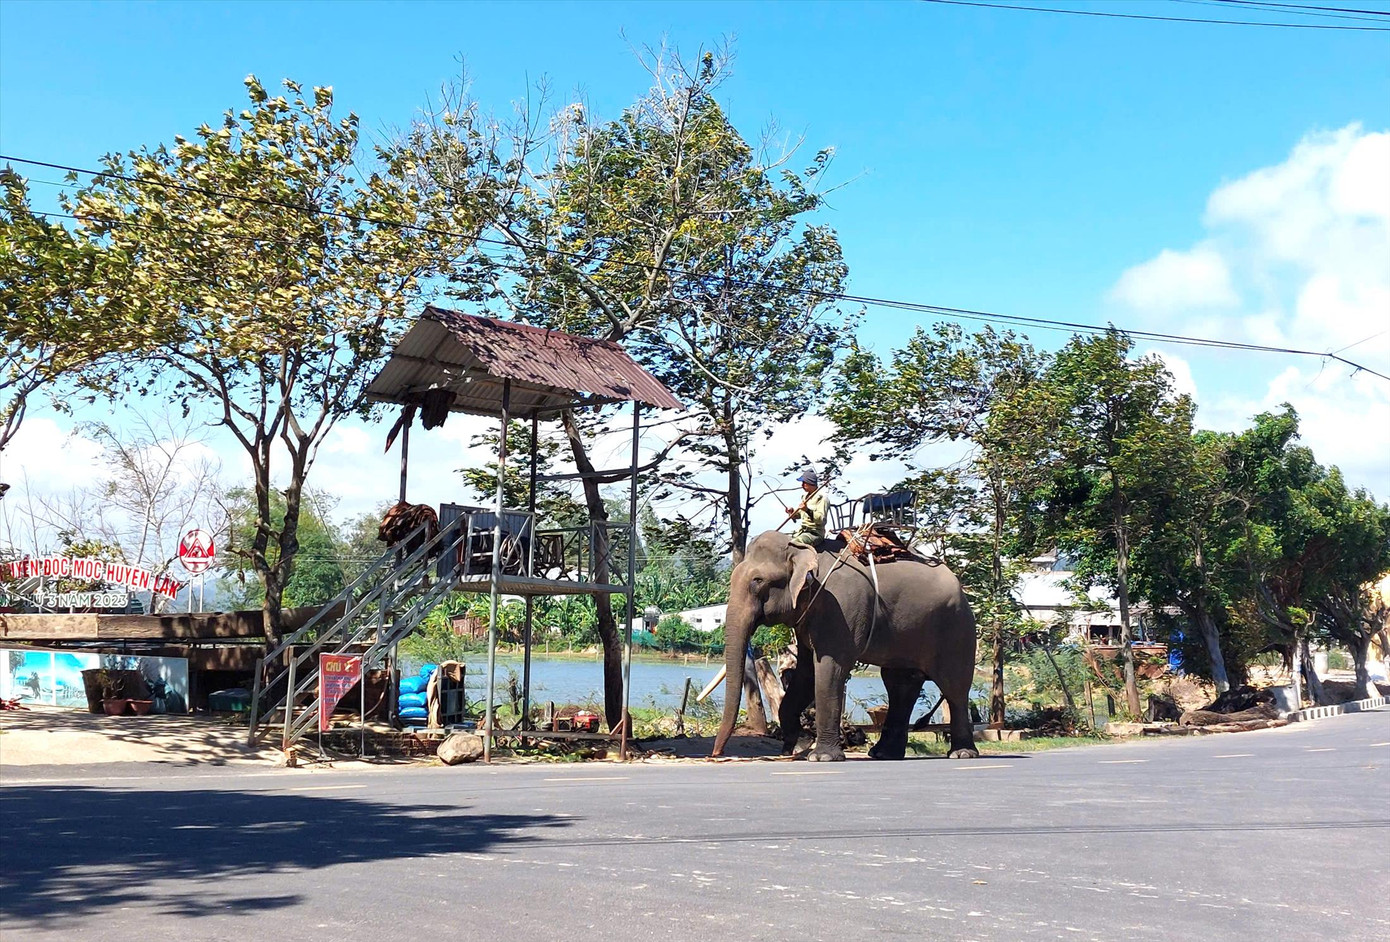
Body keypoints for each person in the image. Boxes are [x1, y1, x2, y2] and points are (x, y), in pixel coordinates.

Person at [787, 470, 828, 547]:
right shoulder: (805, 497)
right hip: (801, 531)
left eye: (804, 483)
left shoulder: (822, 498)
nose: (802, 485)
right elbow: (800, 515)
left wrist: (807, 510)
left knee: (796, 542)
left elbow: (821, 520)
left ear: (810, 483)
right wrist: (792, 512)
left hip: (815, 533)